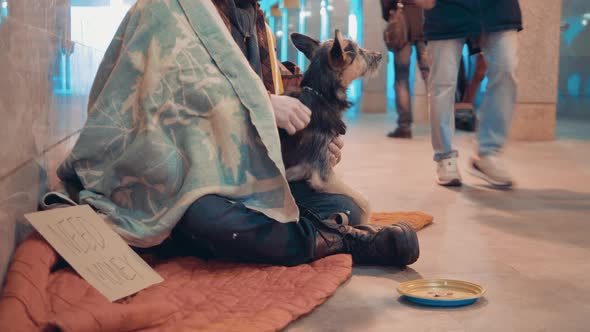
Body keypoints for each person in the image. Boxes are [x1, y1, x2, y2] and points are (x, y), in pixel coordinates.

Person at [54, 0, 419, 267]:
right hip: (175, 176)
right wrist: (260, 104)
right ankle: (331, 241)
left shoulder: (250, 16)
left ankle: (269, 235)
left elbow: (261, 119)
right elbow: (160, 101)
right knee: (207, 216)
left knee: (347, 207)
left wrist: (313, 148)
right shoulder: (165, 9)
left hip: (240, 170)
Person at [415, 0, 522, 187]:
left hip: (498, 8)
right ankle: (444, 156)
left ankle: (487, 153)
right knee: (443, 83)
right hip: (446, 10)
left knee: (506, 69)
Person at [381, 0, 430, 139]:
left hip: (402, 24)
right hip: (425, 21)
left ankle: (404, 127)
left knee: (402, 79)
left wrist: (389, 13)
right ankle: (441, 124)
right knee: (430, 77)